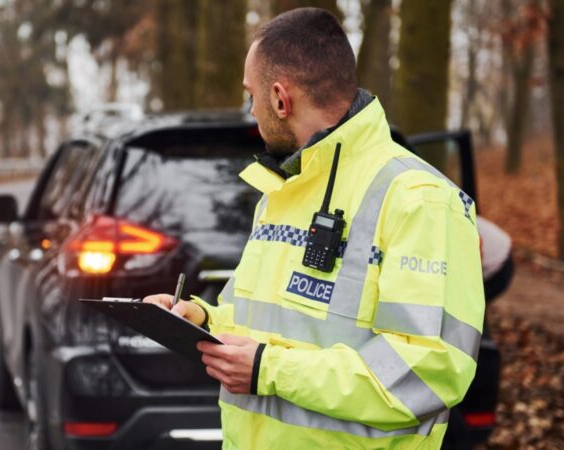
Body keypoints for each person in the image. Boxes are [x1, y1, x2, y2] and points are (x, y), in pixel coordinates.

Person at [143, 7, 484, 449]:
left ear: (281, 99)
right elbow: (272, 326)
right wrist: (204, 319)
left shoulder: (420, 200)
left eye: (253, 96)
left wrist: (269, 369)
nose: (251, 110)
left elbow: (426, 371)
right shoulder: (282, 192)